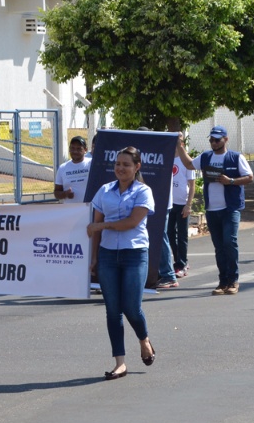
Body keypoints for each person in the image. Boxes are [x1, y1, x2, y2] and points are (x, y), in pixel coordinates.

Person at [87, 147, 157, 380]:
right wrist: (94, 256)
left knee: (131, 307)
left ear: (137, 167)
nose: (120, 168)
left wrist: (103, 226)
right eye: (117, 164)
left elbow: (132, 222)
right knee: (113, 310)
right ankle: (120, 363)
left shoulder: (143, 191)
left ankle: (144, 339)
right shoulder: (104, 191)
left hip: (134, 254)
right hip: (107, 255)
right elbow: (95, 226)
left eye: (126, 164)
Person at [176, 126, 253, 295]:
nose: (213, 142)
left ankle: (233, 280)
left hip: (230, 208)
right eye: (211, 139)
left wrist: (231, 181)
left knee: (229, 242)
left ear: (225, 139)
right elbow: (189, 164)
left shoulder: (235, 157)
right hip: (212, 209)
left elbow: (250, 177)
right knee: (219, 247)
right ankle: (223, 281)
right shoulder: (206, 157)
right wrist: (180, 145)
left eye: (217, 139)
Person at [168, 150, 196, 278]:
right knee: (169, 234)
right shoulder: (167, 157)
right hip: (169, 204)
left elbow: (192, 185)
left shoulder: (187, 161)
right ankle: (179, 260)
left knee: (182, 235)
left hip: (182, 204)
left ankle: (182, 264)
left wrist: (188, 205)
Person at [54, 136, 92, 203]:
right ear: (69, 149)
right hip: (70, 211)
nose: (75, 151)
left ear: (85, 150)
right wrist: (65, 194)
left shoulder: (91, 164)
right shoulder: (62, 168)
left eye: (79, 149)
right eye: (72, 148)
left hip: (89, 209)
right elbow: (56, 193)